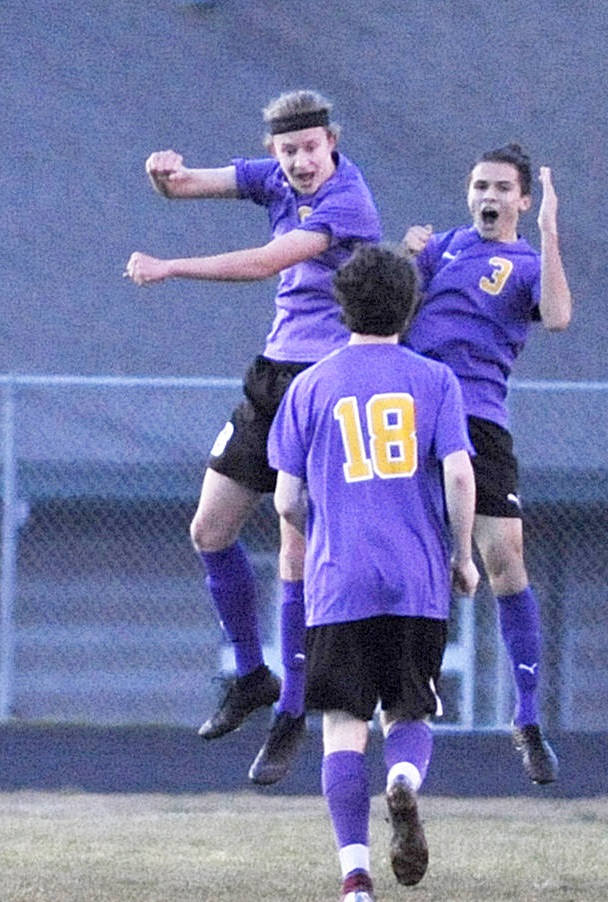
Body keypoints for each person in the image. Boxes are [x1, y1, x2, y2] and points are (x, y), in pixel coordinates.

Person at [125, 90, 382, 760]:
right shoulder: (276, 175)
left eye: (310, 147)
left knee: (293, 548)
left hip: (324, 386)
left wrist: (171, 266)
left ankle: (294, 710)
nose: (299, 161)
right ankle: (252, 675)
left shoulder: (346, 200)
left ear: (333, 141)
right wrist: (163, 175)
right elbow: (184, 185)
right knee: (209, 528)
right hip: (271, 377)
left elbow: (267, 262)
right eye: (287, 150)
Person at [267, 244, 479, 902]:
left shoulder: (311, 385)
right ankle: (407, 779)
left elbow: (284, 499)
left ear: (342, 305)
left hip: (339, 578)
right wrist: (462, 552)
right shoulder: (435, 380)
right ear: (410, 305)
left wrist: (324, 516)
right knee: (410, 708)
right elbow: (460, 473)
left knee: (343, 726)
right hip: (414, 575)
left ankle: (355, 876)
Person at [399, 143, 572, 785]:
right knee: (414, 556)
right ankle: (408, 690)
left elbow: (556, 317)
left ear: (522, 200)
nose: (488, 197)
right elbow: (374, 309)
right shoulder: (439, 248)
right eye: (479, 186)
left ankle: (526, 718)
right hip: (412, 410)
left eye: (502, 188)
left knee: (504, 556)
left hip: (476, 415)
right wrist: (402, 256)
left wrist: (552, 233)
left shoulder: (527, 260)